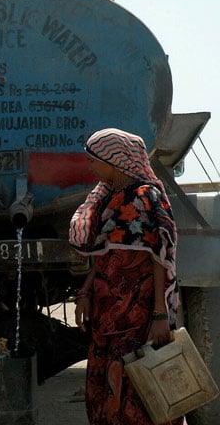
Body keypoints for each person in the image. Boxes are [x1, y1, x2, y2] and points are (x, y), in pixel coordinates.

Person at [69, 128, 182, 425]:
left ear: (115, 160)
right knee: (105, 392)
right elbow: (102, 255)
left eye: (95, 160)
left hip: (138, 316)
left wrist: (159, 314)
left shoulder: (147, 197)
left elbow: (159, 257)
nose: (90, 166)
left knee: (137, 394)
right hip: (106, 315)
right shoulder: (106, 198)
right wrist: (85, 292)